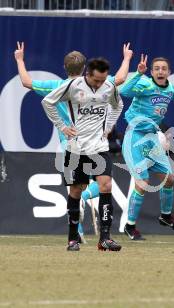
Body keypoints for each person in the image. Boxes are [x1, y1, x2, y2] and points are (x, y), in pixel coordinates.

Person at [14, 42, 133, 241]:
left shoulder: (57, 85)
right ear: (86, 68)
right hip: (89, 141)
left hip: (69, 142)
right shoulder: (95, 83)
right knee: (97, 185)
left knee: (78, 188)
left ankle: (78, 229)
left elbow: (26, 82)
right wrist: (127, 58)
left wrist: (19, 60)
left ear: (64, 67)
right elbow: (120, 78)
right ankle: (82, 216)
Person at [42, 58, 124, 251]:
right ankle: (72, 238)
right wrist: (62, 126)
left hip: (99, 147)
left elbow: (118, 105)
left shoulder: (109, 87)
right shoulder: (73, 86)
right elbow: (47, 102)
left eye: (102, 80)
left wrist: (109, 124)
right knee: (76, 191)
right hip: (76, 148)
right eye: (96, 80)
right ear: (87, 74)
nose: (99, 84)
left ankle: (105, 238)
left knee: (106, 185)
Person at [119, 54, 174, 240]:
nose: (160, 71)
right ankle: (130, 226)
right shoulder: (145, 84)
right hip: (135, 136)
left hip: (151, 139)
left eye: (164, 68)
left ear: (168, 72)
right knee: (142, 183)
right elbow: (124, 92)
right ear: (151, 72)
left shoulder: (169, 89)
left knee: (170, 179)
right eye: (156, 68)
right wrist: (137, 74)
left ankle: (165, 216)